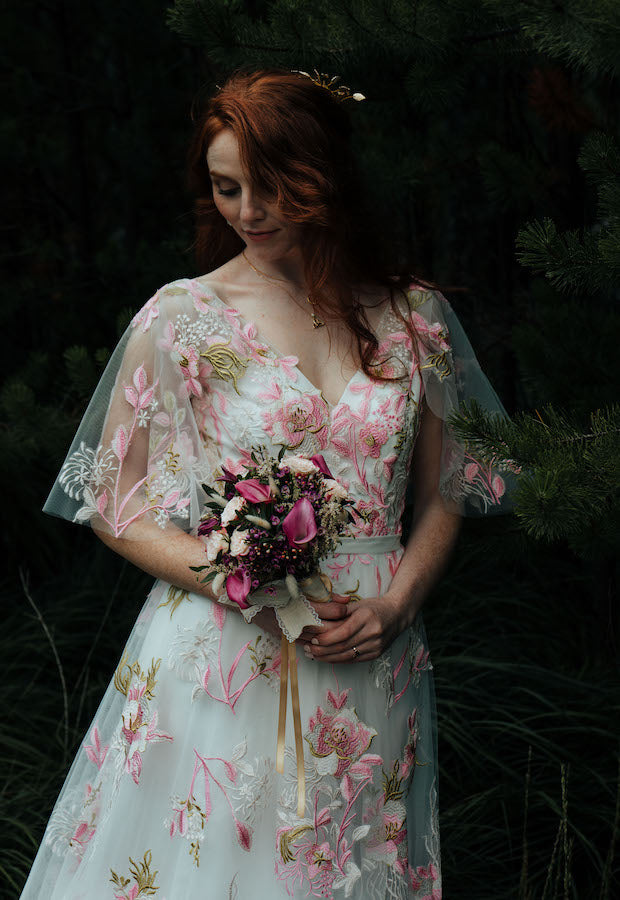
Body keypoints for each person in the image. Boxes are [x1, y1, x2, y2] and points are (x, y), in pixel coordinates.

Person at [20, 69, 513, 899]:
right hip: (225, 650)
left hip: (371, 652)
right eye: (226, 187)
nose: (248, 211)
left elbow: (448, 491)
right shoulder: (181, 319)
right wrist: (237, 575)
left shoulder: (414, 316)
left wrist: (397, 606)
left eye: (273, 186)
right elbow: (115, 504)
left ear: (327, 177)